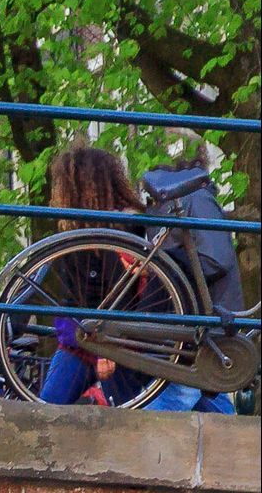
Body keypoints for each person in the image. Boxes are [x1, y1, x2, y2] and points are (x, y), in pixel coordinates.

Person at [39, 143, 237, 413]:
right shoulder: (75, 242)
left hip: (120, 344)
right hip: (94, 341)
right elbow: (66, 308)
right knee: (47, 408)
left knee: (144, 406)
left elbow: (137, 300)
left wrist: (107, 346)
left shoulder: (128, 228)